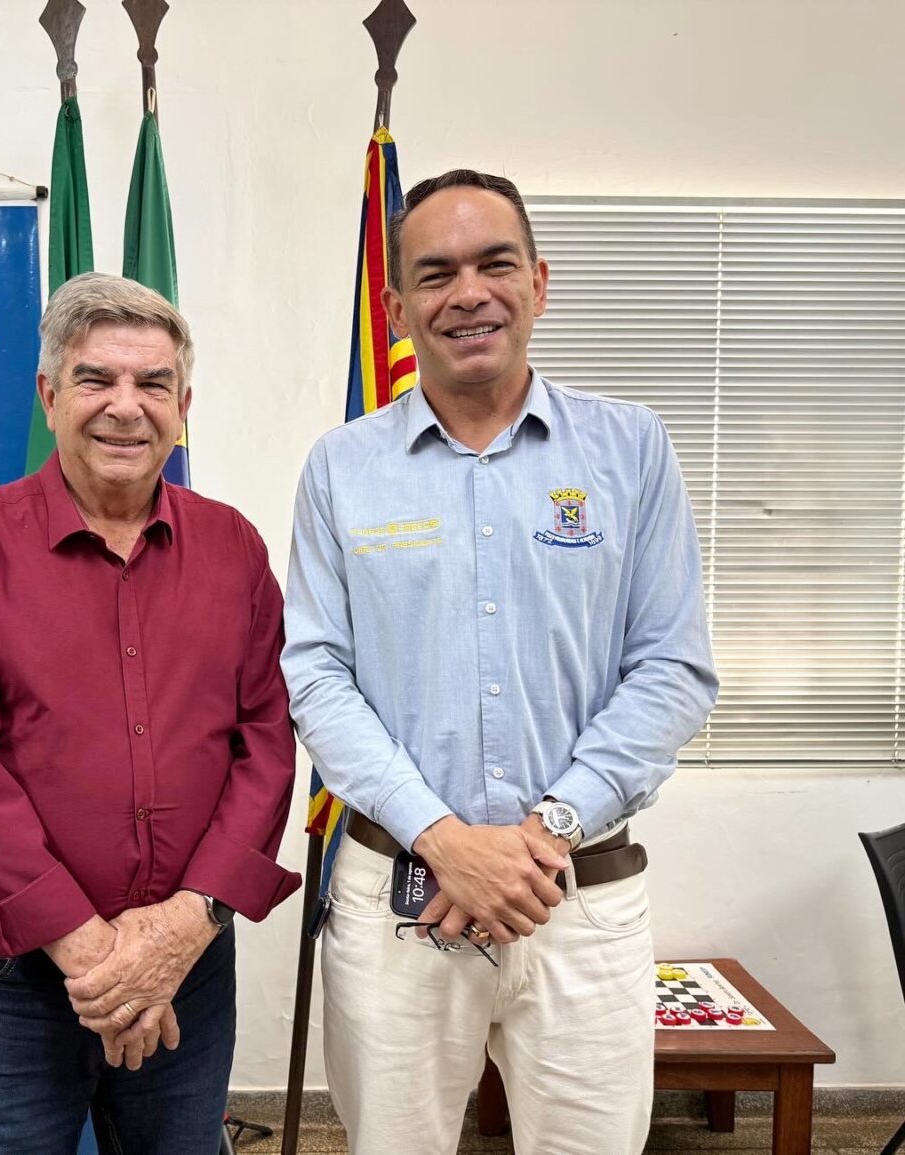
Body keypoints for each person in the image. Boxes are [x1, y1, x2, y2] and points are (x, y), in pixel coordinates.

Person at [281, 170, 718, 1155]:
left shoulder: (629, 450)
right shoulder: (342, 468)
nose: (467, 293)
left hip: (579, 901)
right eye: (435, 274)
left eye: (494, 264)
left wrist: (542, 833)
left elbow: (670, 668)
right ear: (396, 308)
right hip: (398, 899)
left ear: (538, 283)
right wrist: (442, 837)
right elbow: (316, 676)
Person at [0, 272, 300, 1154]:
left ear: (182, 407)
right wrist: (93, 951)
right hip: (11, 976)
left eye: (154, 383)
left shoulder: (233, 547)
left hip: (188, 959)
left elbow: (267, 744)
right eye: (96, 379)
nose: (126, 406)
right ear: (50, 396)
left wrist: (182, 927)